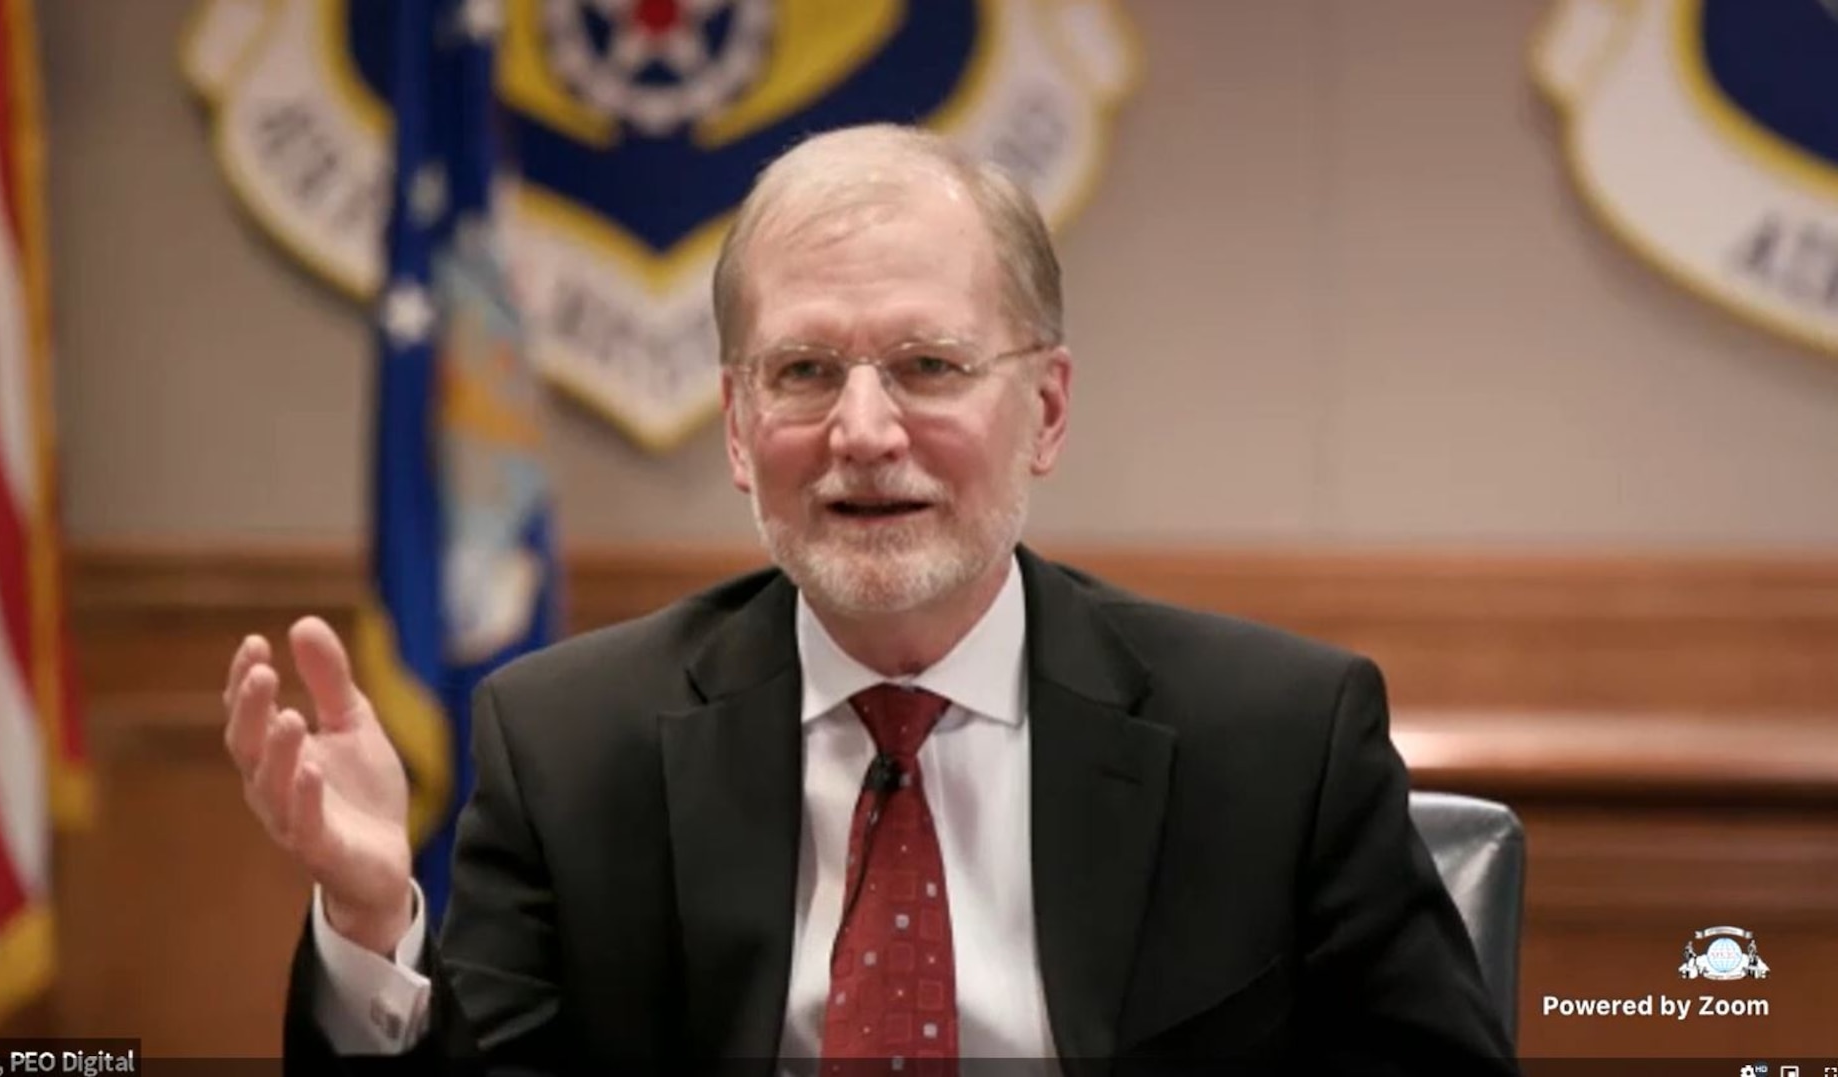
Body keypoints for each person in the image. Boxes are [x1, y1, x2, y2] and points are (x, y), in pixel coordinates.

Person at [222, 123, 1519, 1075]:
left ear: (1046, 407)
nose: (862, 430)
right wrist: (370, 918)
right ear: (739, 427)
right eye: (801, 371)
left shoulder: (1277, 740)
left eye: (927, 364)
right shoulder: (570, 748)